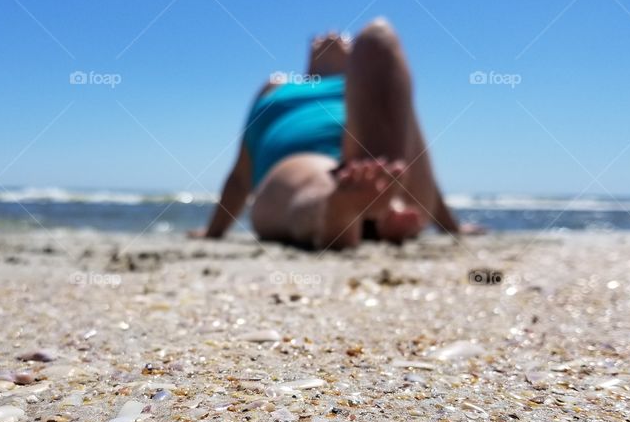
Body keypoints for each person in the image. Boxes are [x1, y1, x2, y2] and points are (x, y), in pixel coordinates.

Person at [191, 18, 479, 250]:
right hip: (304, 172)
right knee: (314, 176)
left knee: (379, 35)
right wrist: (213, 231)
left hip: (379, 167)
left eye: (342, 36)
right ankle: (336, 208)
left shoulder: (363, 87)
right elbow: (242, 174)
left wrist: (451, 227)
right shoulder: (277, 86)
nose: (329, 35)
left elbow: (415, 151)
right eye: (317, 36)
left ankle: (382, 203)